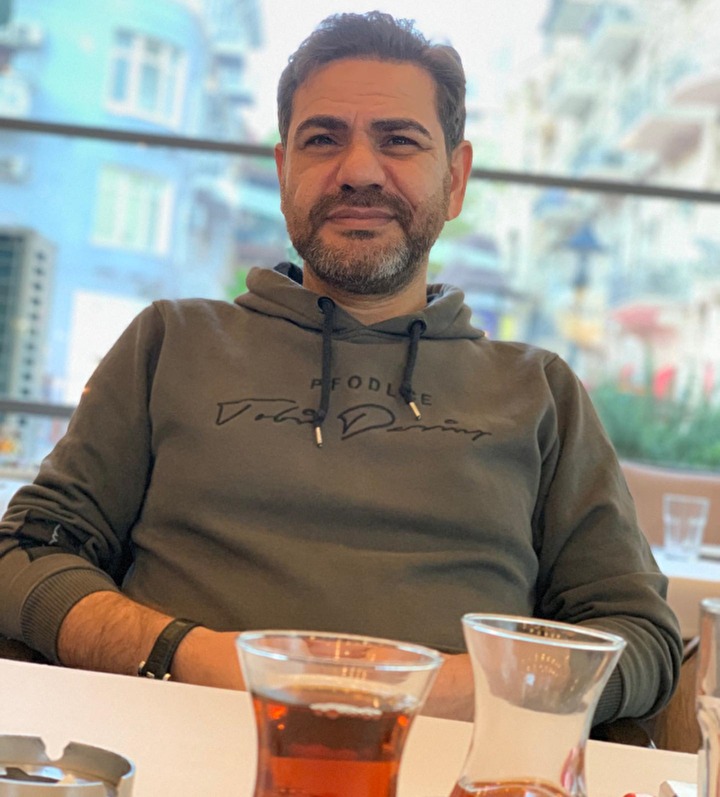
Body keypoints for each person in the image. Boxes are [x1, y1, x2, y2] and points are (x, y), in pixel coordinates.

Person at [0, 11, 680, 725]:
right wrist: (187, 655)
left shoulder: (540, 392)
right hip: (175, 744)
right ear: (283, 172)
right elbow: (24, 553)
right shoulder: (170, 343)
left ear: (455, 179)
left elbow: (639, 636)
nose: (357, 171)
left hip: (446, 762)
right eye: (322, 139)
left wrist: (455, 689)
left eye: (399, 140)